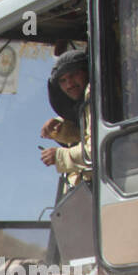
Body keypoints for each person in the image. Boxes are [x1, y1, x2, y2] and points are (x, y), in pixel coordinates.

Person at [40, 49, 92, 188]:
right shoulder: (82, 105)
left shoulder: (94, 94)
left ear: (87, 71)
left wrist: (59, 156)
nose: (69, 84)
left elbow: (99, 148)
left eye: (74, 74)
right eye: (63, 80)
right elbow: (85, 133)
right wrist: (61, 129)